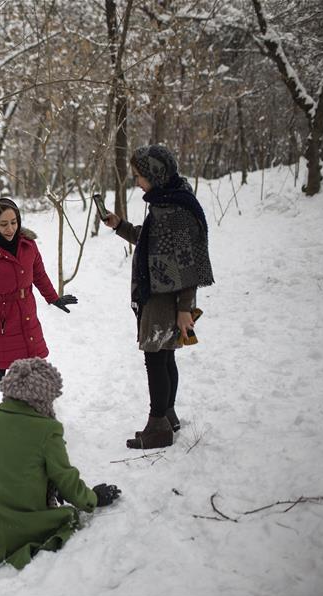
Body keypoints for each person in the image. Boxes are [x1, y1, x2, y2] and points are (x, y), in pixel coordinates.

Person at [0, 358, 121, 572]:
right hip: (13, 524)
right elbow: (65, 479)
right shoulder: (47, 430)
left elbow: (7, 461)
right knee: (66, 518)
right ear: (44, 396)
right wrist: (93, 498)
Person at [102, 145, 214, 449]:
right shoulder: (167, 202)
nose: (137, 181)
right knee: (165, 356)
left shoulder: (176, 211)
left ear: (155, 174)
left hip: (166, 299)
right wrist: (120, 226)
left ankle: (157, 427)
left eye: (139, 176)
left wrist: (184, 310)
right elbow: (152, 240)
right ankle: (168, 415)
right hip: (160, 295)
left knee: (156, 358)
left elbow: (187, 265)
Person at [0, 197, 77, 412]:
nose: (10, 228)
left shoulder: (27, 245)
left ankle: (31, 416)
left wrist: (53, 298)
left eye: (14, 222)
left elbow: (39, 275)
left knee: (33, 369)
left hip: (26, 315)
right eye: (3, 224)